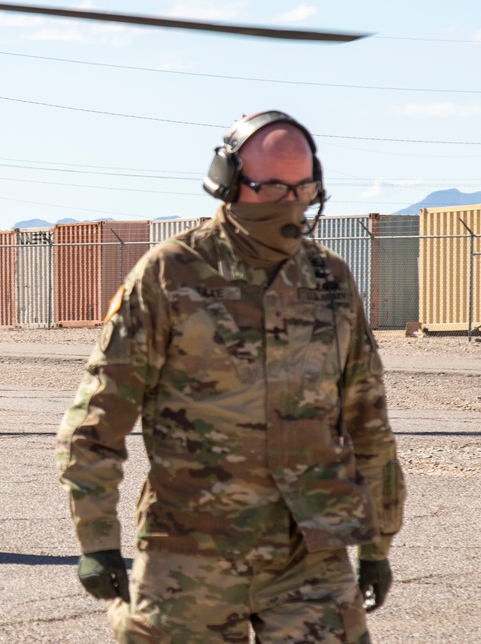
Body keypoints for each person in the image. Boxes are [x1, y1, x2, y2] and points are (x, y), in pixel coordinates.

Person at [56, 111, 406, 643]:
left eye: (302, 187)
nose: (290, 203)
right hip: (190, 554)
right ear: (228, 182)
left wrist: (377, 542)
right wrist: (97, 537)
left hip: (309, 556)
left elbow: (368, 417)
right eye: (271, 188)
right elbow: (99, 414)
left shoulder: (330, 279)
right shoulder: (171, 273)